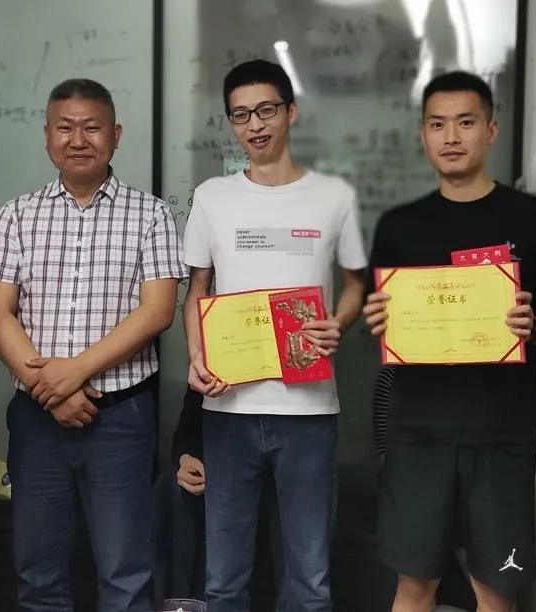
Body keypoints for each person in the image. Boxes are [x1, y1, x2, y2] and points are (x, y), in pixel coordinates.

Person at [363, 71, 536, 612]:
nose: (452, 136)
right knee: (414, 585)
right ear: (422, 134)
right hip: (418, 434)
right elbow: (383, 318)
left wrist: (533, 327)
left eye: (466, 122)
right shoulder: (399, 226)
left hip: (501, 435)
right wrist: (377, 318)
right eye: (438, 124)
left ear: (491, 130)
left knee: (496, 588)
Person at [0, 78, 187, 611]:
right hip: (36, 417)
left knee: (125, 572)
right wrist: (48, 388)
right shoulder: (15, 215)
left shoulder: (151, 214)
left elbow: (158, 311)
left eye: (91, 127)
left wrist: (74, 372)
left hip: (121, 418)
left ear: (115, 135)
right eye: (65, 127)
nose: (78, 139)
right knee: (38, 572)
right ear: (47, 135)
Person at [181, 59, 368, 612]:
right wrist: (197, 355)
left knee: (309, 583)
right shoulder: (212, 197)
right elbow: (196, 291)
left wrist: (338, 323)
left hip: (308, 411)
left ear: (291, 112)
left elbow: (356, 283)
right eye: (241, 115)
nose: (255, 124)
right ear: (230, 123)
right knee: (223, 580)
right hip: (228, 410)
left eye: (265, 110)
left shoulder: (333, 196)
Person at [151, 388, 284, 606]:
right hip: (212, 473)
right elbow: (187, 428)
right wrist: (186, 459)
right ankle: (180, 604)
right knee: (171, 489)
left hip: (271, 476)